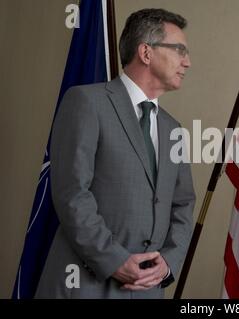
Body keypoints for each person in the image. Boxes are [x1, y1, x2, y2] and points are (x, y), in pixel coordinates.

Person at [36, 8, 195, 299]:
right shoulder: (86, 102)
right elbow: (72, 192)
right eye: (179, 50)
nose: (187, 61)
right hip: (85, 284)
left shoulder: (174, 128)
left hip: (148, 290)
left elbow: (183, 203)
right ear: (146, 52)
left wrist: (169, 262)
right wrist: (114, 259)